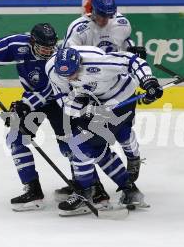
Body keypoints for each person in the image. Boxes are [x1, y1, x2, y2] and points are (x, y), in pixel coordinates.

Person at [45, 46, 162, 215]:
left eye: (72, 73)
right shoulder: (53, 70)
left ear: (79, 63)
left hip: (122, 99)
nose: (70, 78)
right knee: (95, 148)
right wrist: (84, 108)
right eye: (65, 75)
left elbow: (133, 60)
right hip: (96, 103)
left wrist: (148, 81)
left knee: (80, 144)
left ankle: (86, 192)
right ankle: (130, 190)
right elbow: (63, 100)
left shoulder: (98, 61)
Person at [0, 23, 73, 211]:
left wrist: (25, 106)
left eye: (50, 47)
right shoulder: (18, 44)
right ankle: (33, 190)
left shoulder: (60, 55)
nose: (47, 51)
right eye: (43, 47)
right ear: (32, 42)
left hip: (59, 100)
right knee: (16, 138)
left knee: (69, 142)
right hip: (32, 101)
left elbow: (51, 90)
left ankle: (85, 186)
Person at [57, 0, 147, 199]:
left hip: (118, 86)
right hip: (90, 90)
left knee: (123, 130)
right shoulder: (79, 29)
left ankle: (133, 158)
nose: (106, 20)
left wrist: (135, 52)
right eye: (102, 15)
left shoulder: (122, 24)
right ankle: (91, 184)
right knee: (89, 139)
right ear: (92, 11)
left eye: (110, 15)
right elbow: (66, 62)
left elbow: (127, 50)